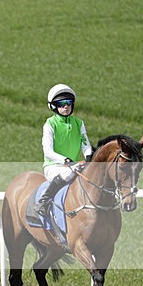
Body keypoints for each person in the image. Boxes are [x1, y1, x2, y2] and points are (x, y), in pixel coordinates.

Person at [34, 83, 93, 217]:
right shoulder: (50, 124)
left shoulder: (79, 123)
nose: (66, 106)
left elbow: (85, 144)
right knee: (68, 172)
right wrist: (66, 160)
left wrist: (89, 156)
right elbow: (48, 151)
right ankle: (43, 202)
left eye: (69, 102)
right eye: (61, 104)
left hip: (75, 165)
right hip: (54, 167)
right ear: (54, 106)